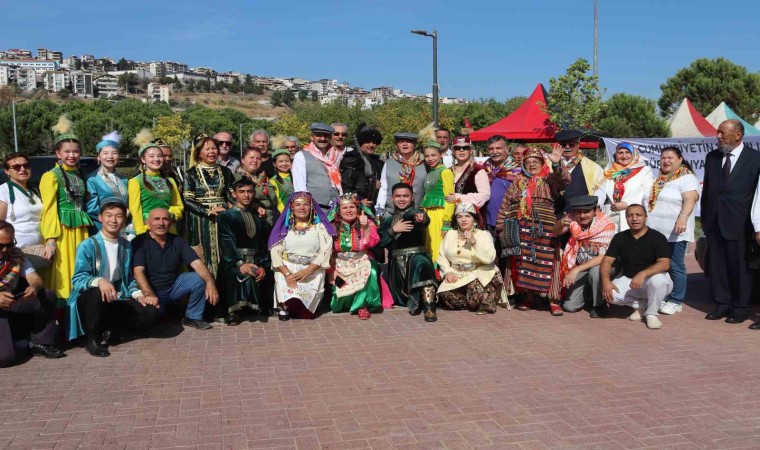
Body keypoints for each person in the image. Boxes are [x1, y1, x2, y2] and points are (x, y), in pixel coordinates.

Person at [67, 199, 160, 357]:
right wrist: (100, 281)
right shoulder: (87, 245)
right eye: (109, 215)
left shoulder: (126, 245)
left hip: (115, 297)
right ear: (100, 218)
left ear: (124, 220)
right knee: (97, 293)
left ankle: (111, 329)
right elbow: (78, 280)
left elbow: (128, 278)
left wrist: (139, 295)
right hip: (90, 299)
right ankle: (92, 340)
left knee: (151, 312)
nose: (114, 220)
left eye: (119, 216)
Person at [496, 146, 570, 316]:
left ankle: (554, 300)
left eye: (536, 161)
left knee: (550, 261)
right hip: (521, 229)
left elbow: (564, 179)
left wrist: (556, 163)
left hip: (546, 228)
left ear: (543, 163)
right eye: (528, 162)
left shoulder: (549, 179)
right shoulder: (517, 181)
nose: (531, 165)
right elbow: (505, 204)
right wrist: (501, 228)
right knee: (525, 263)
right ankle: (529, 297)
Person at [700, 120, 760, 325]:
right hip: (714, 223)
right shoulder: (712, 157)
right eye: (717, 132)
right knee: (718, 267)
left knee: (740, 269)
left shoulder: (755, 159)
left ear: (738, 135)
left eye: (722, 133)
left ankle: (741, 307)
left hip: (741, 224)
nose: (718, 136)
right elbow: (707, 191)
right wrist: (705, 219)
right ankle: (722, 304)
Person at [132, 208, 219, 330]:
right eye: (156, 219)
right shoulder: (140, 241)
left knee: (199, 278)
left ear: (171, 223)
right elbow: (138, 272)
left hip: (174, 287)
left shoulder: (177, 240)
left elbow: (197, 263)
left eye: (165, 219)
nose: (161, 223)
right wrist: (149, 294)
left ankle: (192, 317)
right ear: (148, 223)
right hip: (152, 290)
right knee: (152, 320)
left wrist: (210, 283)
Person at [41, 115, 93, 304]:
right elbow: (49, 209)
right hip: (62, 232)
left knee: (81, 266)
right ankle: (63, 311)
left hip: (80, 230)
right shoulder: (51, 176)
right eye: (67, 151)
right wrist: (50, 239)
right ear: (58, 154)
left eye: (76, 151)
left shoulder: (79, 175)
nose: (72, 155)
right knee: (65, 269)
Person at [643, 147, 699, 316]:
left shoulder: (687, 177)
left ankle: (676, 300)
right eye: (663, 158)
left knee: (674, 265)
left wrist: (683, 217)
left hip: (674, 232)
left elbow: (690, 199)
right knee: (657, 265)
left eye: (670, 157)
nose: (666, 161)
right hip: (655, 233)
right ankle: (662, 295)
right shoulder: (659, 180)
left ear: (680, 159)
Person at [0, 221, 63, 366]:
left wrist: (33, 287)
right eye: (0, 245)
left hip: (9, 302)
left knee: (47, 295)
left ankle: (40, 343)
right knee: (5, 358)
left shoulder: (16, 255)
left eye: (9, 245)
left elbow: (35, 279)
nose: (4, 250)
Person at [601, 204, 673, 330]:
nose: (634, 219)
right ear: (626, 218)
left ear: (646, 217)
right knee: (610, 294)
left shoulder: (657, 237)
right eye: (630, 215)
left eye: (638, 215)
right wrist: (606, 281)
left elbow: (664, 263)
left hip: (653, 279)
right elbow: (607, 261)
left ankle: (651, 314)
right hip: (630, 280)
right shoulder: (620, 237)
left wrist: (643, 274)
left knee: (658, 281)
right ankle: (641, 305)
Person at [269, 192, 336, 321]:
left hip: (313, 269)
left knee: (306, 313)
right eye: (298, 204)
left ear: (312, 207)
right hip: (288, 268)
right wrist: (287, 274)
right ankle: (284, 306)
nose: (302, 208)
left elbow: (325, 251)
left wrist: (307, 271)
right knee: (290, 298)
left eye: (306, 204)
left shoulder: (320, 227)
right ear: (292, 207)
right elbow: (275, 251)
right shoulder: (285, 227)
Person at [378, 183, 438, 322]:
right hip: (397, 269)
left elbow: (422, 219)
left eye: (405, 196)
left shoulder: (416, 214)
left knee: (421, 263)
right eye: (398, 196)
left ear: (412, 198)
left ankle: (429, 308)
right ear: (392, 198)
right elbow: (381, 242)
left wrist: (421, 217)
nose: (401, 199)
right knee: (401, 300)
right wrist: (393, 230)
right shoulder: (387, 221)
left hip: (417, 256)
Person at [214, 178, 271, 325]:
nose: (246, 195)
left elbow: (263, 245)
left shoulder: (258, 217)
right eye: (242, 192)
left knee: (266, 274)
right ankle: (233, 311)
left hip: (256, 260)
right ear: (234, 194)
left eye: (250, 191)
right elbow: (227, 242)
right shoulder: (226, 216)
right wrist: (240, 263)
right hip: (233, 261)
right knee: (238, 274)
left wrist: (263, 265)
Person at [328, 193, 391, 319]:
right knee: (338, 304)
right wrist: (330, 271)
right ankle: (349, 302)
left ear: (358, 208)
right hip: (339, 263)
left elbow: (371, 243)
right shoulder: (331, 227)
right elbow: (325, 250)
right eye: (345, 208)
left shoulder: (367, 223)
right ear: (339, 210)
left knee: (372, 271)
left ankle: (363, 306)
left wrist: (365, 227)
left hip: (362, 259)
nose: (348, 210)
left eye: (352, 207)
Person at [437, 203, 506, 314]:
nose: (463, 220)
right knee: (446, 296)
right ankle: (474, 300)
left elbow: (489, 258)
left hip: (477, 272)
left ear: (474, 219)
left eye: (467, 216)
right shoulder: (450, 234)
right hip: (457, 273)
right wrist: (447, 272)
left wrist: (474, 242)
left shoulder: (484, 234)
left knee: (476, 287)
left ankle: (484, 300)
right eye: (459, 217)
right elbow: (442, 257)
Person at [555, 195, 616, 317]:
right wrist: (560, 224)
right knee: (569, 307)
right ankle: (588, 294)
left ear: (595, 210)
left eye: (586, 211)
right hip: (583, 268)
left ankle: (600, 305)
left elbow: (603, 257)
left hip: (605, 266)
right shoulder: (572, 219)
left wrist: (576, 270)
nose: (582, 215)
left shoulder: (607, 224)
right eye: (579, 212)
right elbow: (556, 231)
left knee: (595, 271)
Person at [184, 135, 235, 276]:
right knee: (203, 252)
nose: (211, 152)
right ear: (199, 153)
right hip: (200, 219)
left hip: (223, 216)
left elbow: (230, 195)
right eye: (207, 149)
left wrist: (235, 208)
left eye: (214, 148)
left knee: (224, 250)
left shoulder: (225, 171)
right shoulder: (191, 173)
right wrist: (208, 210)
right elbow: (187, 199)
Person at [128, 131, 184, 235]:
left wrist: (171, 215)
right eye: (151, 156)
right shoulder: (135, 182)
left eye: (159, 156)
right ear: (143, 159)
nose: (156, 159)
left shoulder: (170, 181)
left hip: (169, 229)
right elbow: (135, 211)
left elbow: (178, 205)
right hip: (147, 231)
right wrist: (141, 232)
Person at [0, 153, 47, 269]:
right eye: (16, 167)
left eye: (26, 166)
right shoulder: (3, 191)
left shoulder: (36, 190)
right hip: (17, 253)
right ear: (7, 171)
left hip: (39, 250)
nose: (22, 169)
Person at [482, 136, 521, 273]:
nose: (494, 151)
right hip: (487, 221)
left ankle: (508, 285)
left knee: (508, 259)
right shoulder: (485, 168)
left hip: (508, 221)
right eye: (491, 149)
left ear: (507, 149)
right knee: (490, 257)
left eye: (498, 148)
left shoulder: (517, 170)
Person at [600, 142, 654, 232]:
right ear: (615, 155)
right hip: (610, 217)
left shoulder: (644, 171)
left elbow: (648, 195)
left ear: (633, 154)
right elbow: (602, 193)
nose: (624, 156)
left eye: (627, 152)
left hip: (632, 217)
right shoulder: (609, 171)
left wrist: (627, 204)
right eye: (620, 153)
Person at [292, 123, 344, 211]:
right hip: (315, 209)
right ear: (312, 137)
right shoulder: (301, 156)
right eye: (319, 135)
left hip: (336, 208)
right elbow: (300, 188)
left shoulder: (337, 155)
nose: (322, 138)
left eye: (326, 136)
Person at [86, 131, 129, 232]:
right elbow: (91, 208)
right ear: (98, 157)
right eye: (105, 153)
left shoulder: (124, 180)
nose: (110, 156)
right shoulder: (92, 179)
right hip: (101, 228)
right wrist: (113, 217)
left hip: (124, 226)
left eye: (114, 153)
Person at [377, 132, 428, 216]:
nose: (404, 144)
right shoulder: (388, 163)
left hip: (418, 214)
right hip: (392, 213)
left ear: (415, 144)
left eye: (408, 141)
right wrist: (379, 211)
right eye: (400, 142)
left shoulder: (425, 163)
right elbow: (383, 188)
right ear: (396, 145)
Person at [419, 141, 454, 263]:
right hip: (429, 215)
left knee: (437, 249)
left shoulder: (445, 172)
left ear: (441, 155)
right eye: (427, 156)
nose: (430, 159)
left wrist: (446, 222)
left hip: (439, 215)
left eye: (433, 155)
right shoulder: (430, 172)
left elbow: (450, 199)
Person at [555, 129, 605, 212]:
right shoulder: (549, 164)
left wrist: (596, 205)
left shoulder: (592, 167)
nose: (567, 147)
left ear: (578, 144)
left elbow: (600, 189)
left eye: (571, 144)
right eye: (563, 145)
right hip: (554, 213)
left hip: (581, 214)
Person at [236, 147, 279, 226]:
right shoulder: (238, 178)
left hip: (271, 218)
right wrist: (256, 207)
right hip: (253, 218)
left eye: (258, 158)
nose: (255, 161)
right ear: (242, 160)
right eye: (251, 157)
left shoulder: (263, 177)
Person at [446, 136, 491, 212]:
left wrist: (458, 198)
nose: (461, 150)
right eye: (457, 148)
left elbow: (484, 195)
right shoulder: (448, 171)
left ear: (470, 151)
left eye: (465, 148)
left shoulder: (478, 170)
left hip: (470, 215)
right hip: (449, 214)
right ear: (453, 151)